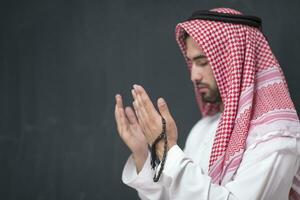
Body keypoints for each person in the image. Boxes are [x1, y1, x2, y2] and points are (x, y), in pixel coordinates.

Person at [114, 8, 300, 200]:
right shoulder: (203, 129)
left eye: (202, 62)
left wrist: (166, 149)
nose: (193, 75)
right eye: (191, 63)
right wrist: (144, 154)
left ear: (233, 61)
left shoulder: (276, 138)